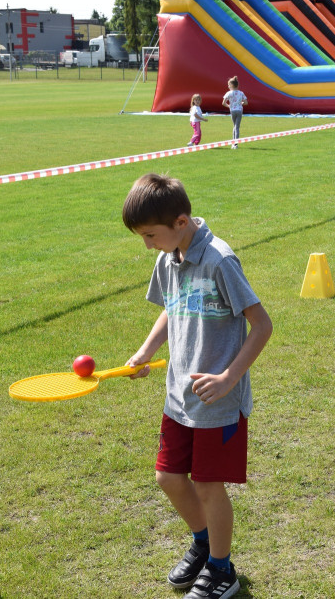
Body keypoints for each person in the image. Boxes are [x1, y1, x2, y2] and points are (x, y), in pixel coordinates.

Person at [122, 173, 272, 599]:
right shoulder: (169, 257)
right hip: (179, 398)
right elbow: (172, 309)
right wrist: (146, 350)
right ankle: (204, 546)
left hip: (218, 403)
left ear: (182, 222)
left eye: (151, 235)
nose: (148, 244)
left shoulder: (220, 260)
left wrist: (228, 378)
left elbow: (261, 326)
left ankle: (222, 571)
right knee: (169, 478)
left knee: (208, 484)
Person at [222, 77, 248, 148]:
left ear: (231, 85)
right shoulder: (241, 93)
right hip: (239, 111)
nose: (228, 86)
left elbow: (223, 103)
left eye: (229, 85)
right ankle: (235, 143)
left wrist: (229, 106)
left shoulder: (228, 93)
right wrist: (240, 103)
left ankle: (234, 143)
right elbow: (246, 102)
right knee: (237, 127)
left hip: (232, 111)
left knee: (234, 126)